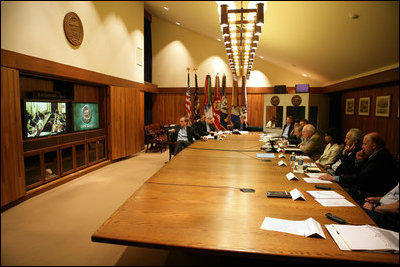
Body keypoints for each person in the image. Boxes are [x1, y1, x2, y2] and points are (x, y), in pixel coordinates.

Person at [319, 132, 398, 205]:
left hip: (370, 197)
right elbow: (357, 172)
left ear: (374, 146)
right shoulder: (373, 155)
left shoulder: (381, 157)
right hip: (360, 191)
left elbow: (360, 177)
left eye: (364, 144)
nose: (362, 147)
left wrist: (334, 178)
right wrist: (359, 161)